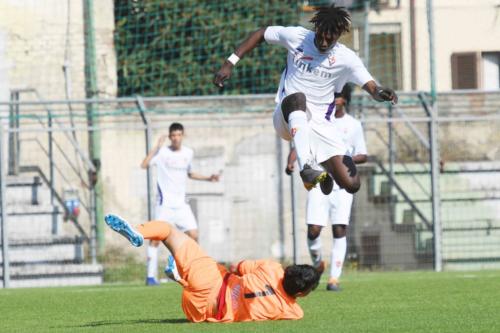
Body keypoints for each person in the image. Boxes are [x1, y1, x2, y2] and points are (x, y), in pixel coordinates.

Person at [214, 4, 396, 196]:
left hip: (322, 125)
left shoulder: (347, 59)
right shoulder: (297, 37)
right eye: (321, 36)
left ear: (339, 35)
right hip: (287, 115)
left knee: (352, 184)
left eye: (330, 39)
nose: (324, 43)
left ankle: (321, 170)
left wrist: (381, 93)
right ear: (316, 29)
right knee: (298, 98)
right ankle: (307, 168)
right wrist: (229, 63)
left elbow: (372, 87)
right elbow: (261, 33)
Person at [104, 214, 320, 322]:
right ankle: (181, 279)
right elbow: (295, 303)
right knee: (196, 286)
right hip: (202, 311)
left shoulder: (274, 268)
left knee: (168, 231)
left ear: (292, 268)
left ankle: (140, 233)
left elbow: (238, 266)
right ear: (301, 293)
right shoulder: (292, 311)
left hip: (212, 280)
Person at [286, 84, 367, 291]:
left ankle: (334, 279)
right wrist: (291, 160)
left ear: (344, 100)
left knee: (339, 229)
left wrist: (342, 161)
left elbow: (363, 154)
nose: (334, 100)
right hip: (320, 181)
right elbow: (301, 141)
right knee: (313, 230)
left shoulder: (353, 125)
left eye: (337, 97)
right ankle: (318, 262)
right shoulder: (318, 120)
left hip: (341, 186)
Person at [140, 122, 220, 285]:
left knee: (194, 235)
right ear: (170, 137)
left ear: (183, 136)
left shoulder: (188, 153)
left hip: (181, 205)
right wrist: (156, 147)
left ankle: (190, 271)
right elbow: (144, 164)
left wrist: (208, 178)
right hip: (165, 205)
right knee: (155, 239)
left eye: (179, 135)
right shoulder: (162, 153)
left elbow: (190, 173)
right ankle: (150, 277)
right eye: (173, 135)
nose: (176, 138)